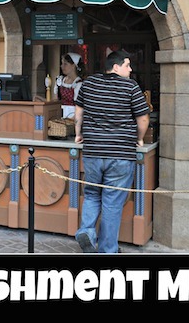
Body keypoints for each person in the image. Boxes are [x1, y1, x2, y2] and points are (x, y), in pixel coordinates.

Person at [73, 49, 150, 253]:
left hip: (93, 151)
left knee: (91, 194)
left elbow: (78, 113)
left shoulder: (88, 83)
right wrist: (139, 138)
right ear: (116, 67)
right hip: (120, 154)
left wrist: (78, 134)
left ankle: (87, 231)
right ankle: (108, 250)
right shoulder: (131, 87)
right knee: (112, 201)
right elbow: (143, 119)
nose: (131, 69)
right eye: (127, 65)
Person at [53, 52, 86, 118]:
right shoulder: (60, 80)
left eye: (65, 64)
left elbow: (80, 107)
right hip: (59, 115)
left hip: (73, 116)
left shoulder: (78, 84)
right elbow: (55, 100)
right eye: (62, 63)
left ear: (73, 66)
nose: (62, 66)